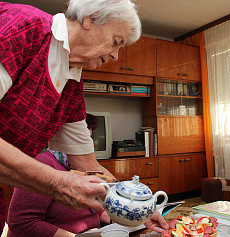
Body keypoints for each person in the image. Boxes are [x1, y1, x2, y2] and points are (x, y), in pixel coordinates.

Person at [0, 0, 168, 234]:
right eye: (116, 42)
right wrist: (57, 182)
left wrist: (137, 208)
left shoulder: (72, 81)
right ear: (91, 17)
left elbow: (87, 164)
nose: (115, 55)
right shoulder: (24, 26)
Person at [7, 114, 111, 237]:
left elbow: (95, 209)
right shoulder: (42, 164)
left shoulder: (86, 167)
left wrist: (116, 219)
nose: (87, 148)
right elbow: (22, 222)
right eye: (82, 141)